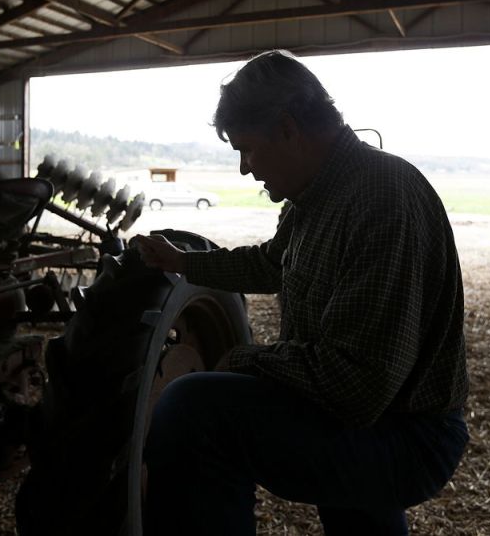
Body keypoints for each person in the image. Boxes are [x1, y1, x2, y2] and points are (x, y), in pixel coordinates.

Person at [135, 50, 468, 536]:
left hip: (406, 435)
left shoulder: (380, 197)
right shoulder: (319, 193)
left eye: (247, 149)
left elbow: (355, 388)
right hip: (375, 418)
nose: (246, 169)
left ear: (288, 129)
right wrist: (183, 262)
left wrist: (241, 359)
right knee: (355, 514)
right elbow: (273, 263)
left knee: (195, 411)